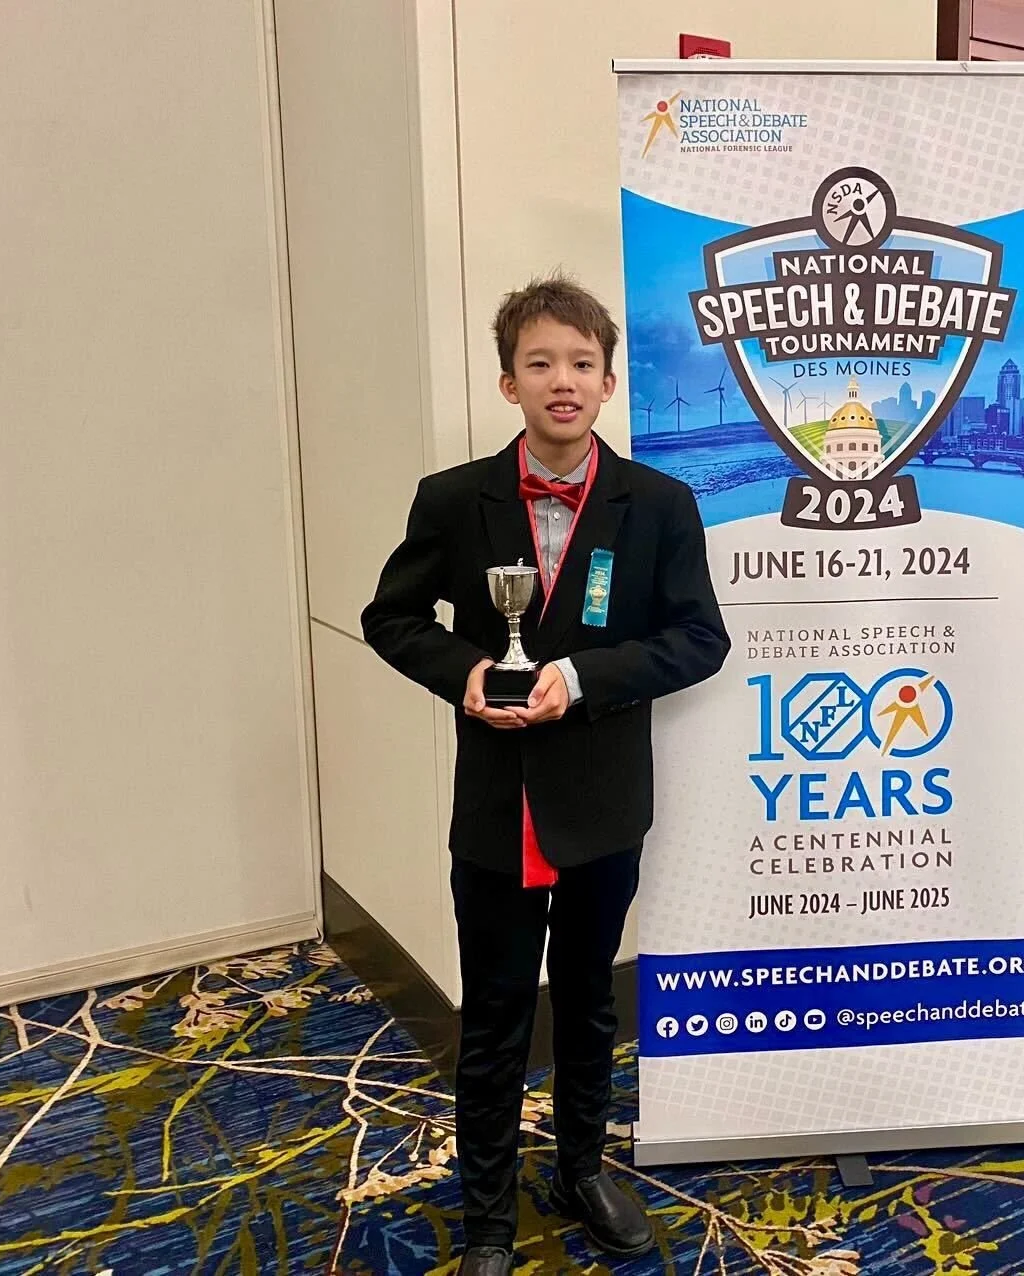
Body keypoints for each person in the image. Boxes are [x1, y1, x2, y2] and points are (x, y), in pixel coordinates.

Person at [361, 274, 729, 1275]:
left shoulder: (657, 504)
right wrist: (466, 671)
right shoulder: (453, 500)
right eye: (539, 363)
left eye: (579, 363)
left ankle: (580, 1166)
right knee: (491, 1012)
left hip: (604, 800)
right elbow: (389, 618)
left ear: (608, 382)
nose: (560, 381)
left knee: (589, 1000)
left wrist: (582, 675)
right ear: (507, 382)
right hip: (497, 805)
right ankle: (487, 1211)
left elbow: (701, 640)